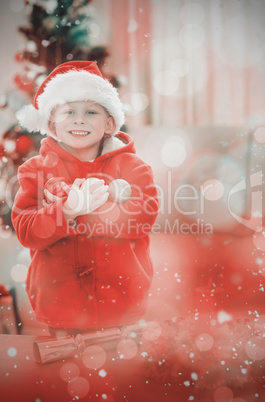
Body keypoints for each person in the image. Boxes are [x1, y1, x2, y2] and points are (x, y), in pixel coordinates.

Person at [12, 61, 158, 336]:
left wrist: (94, 207)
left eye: (91, 111)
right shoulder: (35, 170)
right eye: (68, 112)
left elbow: (144, 217)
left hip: (121, 303)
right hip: (60, 305)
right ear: (52, 124)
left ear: (110, 123)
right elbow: (26, 230)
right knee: (61, 373)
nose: (79, 119)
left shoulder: (133, 167)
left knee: (123, 374)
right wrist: (65, 212)